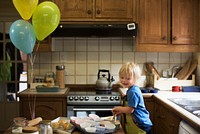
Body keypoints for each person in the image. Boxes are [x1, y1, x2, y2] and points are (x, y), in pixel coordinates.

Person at [112, 62, 152, 134]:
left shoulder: (133, 92)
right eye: (122, 77)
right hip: (137, 123)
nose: (124, 80)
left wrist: (118, 108)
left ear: (135, 78)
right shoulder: (131, 89)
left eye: (128, 78)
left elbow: (130, 110)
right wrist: (121, 111)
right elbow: (131, 107)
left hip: (140, 125)